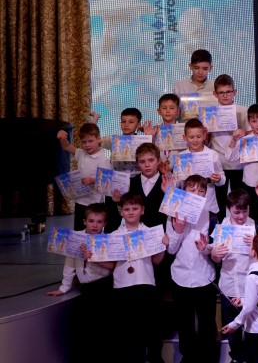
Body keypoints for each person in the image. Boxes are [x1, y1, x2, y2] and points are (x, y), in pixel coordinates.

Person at [45, 202, 113, 359]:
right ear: (84, 221)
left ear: (105, 223)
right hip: (86, 287)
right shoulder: (75, 238)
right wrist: (64, 287)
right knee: (85, 327)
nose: (95, 225)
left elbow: (110, 268)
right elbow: (69, 264)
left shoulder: (107, 240)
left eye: (99, 222)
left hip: (103, 286)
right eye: (91, 221)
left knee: (103, 327)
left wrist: (93, 256)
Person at [111, 191, 168, 363]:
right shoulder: (114, 235)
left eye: (134, 208)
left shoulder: (151, 233)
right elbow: (111, 265)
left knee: (152, 331)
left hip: (146, 286)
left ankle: (155, 359)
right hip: (122, 287)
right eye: (126, 209)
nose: (130, 212)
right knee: (128, 333)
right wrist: (91, 257)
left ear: (142, 210)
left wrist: (163, 247)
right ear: (121, 211)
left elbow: (156, 261)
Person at [167, 175, 218, 363]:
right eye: (192, 190)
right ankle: (188, 357)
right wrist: (178, 230)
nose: (197, 194)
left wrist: (205, 248)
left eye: (201, 191)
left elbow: (214, 249)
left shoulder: (211, 216)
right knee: (184, 324)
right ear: (184, 191)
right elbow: (171, 250)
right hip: (180, 276)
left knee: (207, 324)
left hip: (205, 276)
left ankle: (208, 358)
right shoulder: (172, 214)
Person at [212, 188, 258, 363]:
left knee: (252, 325)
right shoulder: (222, 228)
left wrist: (254, 246)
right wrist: (216, 254)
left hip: (249, 285)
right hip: (229, 284)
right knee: (232, 325)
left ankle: (250, 357)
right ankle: (237, 357)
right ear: (228, 209)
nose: (241, 216)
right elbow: (216, 259)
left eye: (245, 211)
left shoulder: (256, 226)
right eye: (236, 212)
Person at [221, 233, 258, 363]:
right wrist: (242, 300)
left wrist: (234, 325)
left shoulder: (252, 277)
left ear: (253, 252)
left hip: (257, 329)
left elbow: (249, 307)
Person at [208, 74, 250, 219]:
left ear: (235, 92)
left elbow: (252, 135)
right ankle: (219, 230)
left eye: (228, 92)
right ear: (215, 94)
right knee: (219, 203)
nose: (225, 95)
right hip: (219, 164)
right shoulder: (210, 113)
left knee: (239, 203)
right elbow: (206, 139)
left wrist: (244, 133)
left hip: (239, 164)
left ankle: (240, 229)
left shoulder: (243, 111)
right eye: (221, 92)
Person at [58, 122, 110, 230]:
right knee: (79, 230)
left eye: (90, 141)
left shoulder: (103, 159)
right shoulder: (82, 153)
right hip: (80, 201)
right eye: (84, 142)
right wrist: (62, 137)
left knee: (94, 231)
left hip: (95, 203)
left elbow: (107, 181)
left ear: (98, 139)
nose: (87, 145)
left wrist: (92, 180)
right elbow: (67, 146)